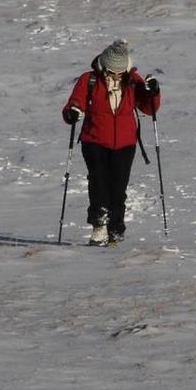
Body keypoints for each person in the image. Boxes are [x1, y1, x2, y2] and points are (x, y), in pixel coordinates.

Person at [62, 39, 161, 245]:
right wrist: (72, 112)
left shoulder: (133, 80)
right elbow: (75, 102)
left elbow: (149, 108)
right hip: (94, 141)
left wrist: (154, 92)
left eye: (120, 72)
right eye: (112, 72)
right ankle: (99, 227)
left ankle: (116, 229)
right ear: (104, 66)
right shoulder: (88, 80)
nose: (116, 75)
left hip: (125, 144)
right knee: (98, 184)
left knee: (118, 188)